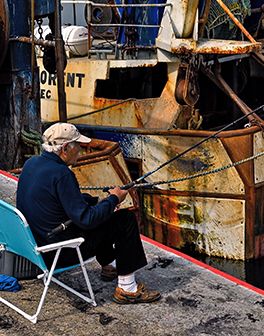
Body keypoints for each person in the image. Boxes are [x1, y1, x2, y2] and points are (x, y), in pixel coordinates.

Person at [16, 122, 160, 304]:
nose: (81, 151)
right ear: (66, 148)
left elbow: (66, 199)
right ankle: (128, 288)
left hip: (35, 245)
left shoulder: (32, 163)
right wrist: (114, 199)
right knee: (125, 219)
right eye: (78, 146)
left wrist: (98, 202)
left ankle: (110, 265)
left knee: (102, 212)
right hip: (57, 254)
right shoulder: (62, 174)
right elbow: (86, 219)